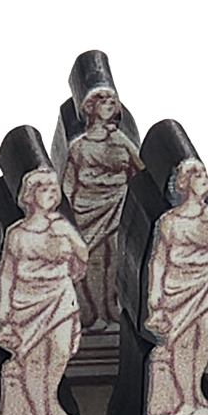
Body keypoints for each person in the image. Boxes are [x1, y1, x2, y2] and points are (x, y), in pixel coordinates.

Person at [0, 169, 89, 415]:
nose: (50, 193)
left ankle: (51, 404)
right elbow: (6, 275)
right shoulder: (17, 233)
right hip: (28, 303)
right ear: (30, 195)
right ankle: (37, 414)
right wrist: (4, 314)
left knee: (61, 350)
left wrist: (69, 257)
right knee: (33, 359)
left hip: (60, 297)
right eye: (43, 188)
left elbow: (82, 255)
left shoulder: (61, 226)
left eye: (52, 188)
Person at [145, 159, 208, 415]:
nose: (204, 178)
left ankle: (195, 391)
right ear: (185, 183)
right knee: (182, 344)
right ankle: (185, 399)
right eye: (197, 175)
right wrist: (156, 296)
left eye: (205, 174)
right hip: (179, 290)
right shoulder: (170, 221)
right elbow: (159, 260)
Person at [61, 87, 143, 327]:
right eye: (102, 100)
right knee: (91, 260)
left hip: (117, 205)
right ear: (90, 108)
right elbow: (68, 185)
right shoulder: (79, 146)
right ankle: (90, 311)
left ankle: (110, 308)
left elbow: (140, 171)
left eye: (112, 101)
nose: (109, 104)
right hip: (88, 210)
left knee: (114, 259)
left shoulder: (121, 140)